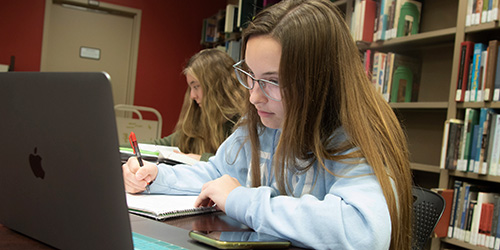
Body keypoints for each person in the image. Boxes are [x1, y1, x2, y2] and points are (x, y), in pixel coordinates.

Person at [122, 0, 413, 249]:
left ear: (321, 82)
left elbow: (363, 232)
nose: (254, 96)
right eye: (250, 75)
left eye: (272, 81)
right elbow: (219, 174)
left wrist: (242, 200)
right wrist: (156, 177)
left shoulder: (352, 137)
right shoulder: (264, 121)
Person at [152, 49, 247, 161]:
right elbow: (161, 145)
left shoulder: (244, 124)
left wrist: (201, 159)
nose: (192, 96)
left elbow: (240, 166)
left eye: (196, 86)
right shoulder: (199, 120)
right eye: (191, 88)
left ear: (215, 86)